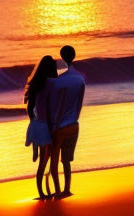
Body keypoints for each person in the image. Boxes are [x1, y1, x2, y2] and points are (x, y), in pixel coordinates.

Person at [47, 44, 85, 199]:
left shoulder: (59, 81)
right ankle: (67, 189)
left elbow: (56, 105)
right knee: (66, 160)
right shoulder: (80, 79)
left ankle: (55, 191)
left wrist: (53, 124)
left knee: (54, 159)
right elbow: (79, 104)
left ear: (62, 57)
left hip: (60, 126)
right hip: (74, 125)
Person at [24, 55, 58, 200]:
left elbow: (30, 109)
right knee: (47, 160)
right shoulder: (51, 85)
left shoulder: (36, 85)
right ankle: (42, 192)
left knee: (44, 160)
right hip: (45, 126)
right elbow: (53, 108)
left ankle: (35, 149)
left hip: (37, 124)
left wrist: (35, 124)